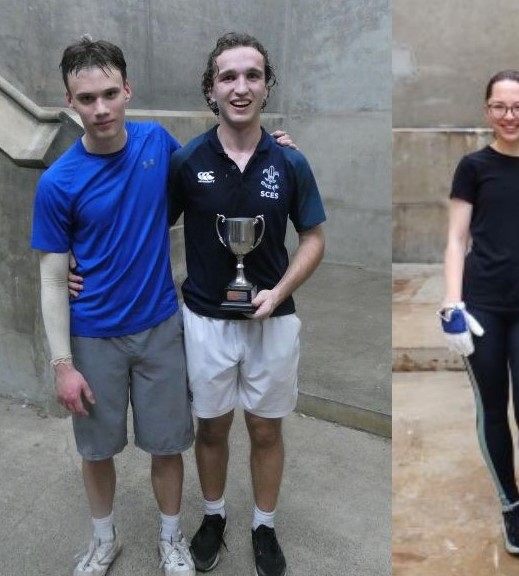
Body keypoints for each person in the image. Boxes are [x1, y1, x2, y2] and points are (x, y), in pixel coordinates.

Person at [30, 36, 196, 576]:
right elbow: (53, 279)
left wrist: (270, 147)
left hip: (159, 328)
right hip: (93, 337)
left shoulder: (158, 143)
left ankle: (171, 540)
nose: (100, 109)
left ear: (127, 90)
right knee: (96, 451)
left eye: (109, 94)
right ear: (69, 102)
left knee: (167, 444)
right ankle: (105, 541)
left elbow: (209, 183)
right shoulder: (59, 183)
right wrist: (62, 365)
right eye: (86, 99)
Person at [167, 32, 326, 576]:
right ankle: (213, 517)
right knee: (210, 428)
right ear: (211, 89)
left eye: (252, 75)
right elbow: (146, 230)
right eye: (228, 77)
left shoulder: (289, 162)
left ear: (267, 85)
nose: (241, 87)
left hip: (272, 322)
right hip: (205, 321)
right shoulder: (186, 160)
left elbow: (314, 238)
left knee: (265, 429)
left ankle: (264, 524)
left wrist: (280, 291)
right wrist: (79, 263)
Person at [439, 70, 519, 556]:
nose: (509, 116)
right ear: (487, 110)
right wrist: (452, 302)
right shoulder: (473, 166)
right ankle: (511, 505)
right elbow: (455, 238)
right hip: (483, 307)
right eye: (500, 107)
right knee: (492, 408)